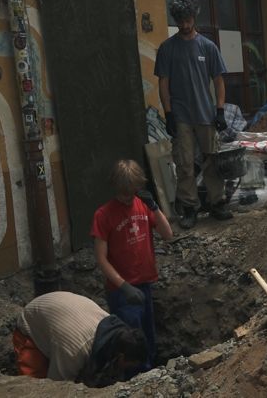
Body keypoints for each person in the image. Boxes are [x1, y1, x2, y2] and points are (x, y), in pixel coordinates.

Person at [155, 0, 232, 229]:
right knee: (184, 163)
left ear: (194, 18)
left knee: (212, 160)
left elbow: (218, 81)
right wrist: (168, 114)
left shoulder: (208, 47)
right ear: (176, 20)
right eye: (180, 21)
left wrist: (220, 110)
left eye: (188, 20)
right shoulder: (167, 49)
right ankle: (190, 208)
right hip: (181, 116)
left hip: (206, 114)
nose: (185, 25)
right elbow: (163, 83)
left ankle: (217, 203)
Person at [90, 159, 173, 372]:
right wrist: (123, 285)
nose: (128, 198)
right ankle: (134, 379)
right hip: (123, 292)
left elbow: (167, 234)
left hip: (144, 284)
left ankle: (153, 375)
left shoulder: (143, 205)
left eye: (131, 192)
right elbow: (101, 258)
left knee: (148, 338)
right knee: (130, 346)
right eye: (123, 194)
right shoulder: (103, 215)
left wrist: (155, 208)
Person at [13, 291, 147, 387]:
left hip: (60, 315)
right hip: (32, 325)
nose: (125, 370)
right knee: (37, 387)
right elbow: (56, 388)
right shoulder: (75, 351)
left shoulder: (112, 329)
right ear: (121, 357)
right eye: (129, 366)